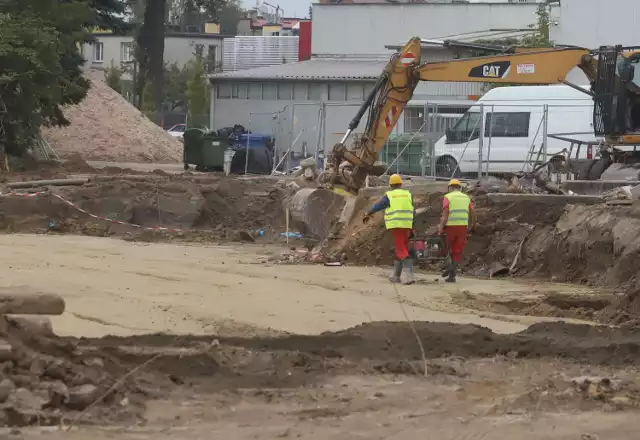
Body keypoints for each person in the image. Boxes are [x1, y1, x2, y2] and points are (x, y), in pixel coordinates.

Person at [363, 173, 415, 285]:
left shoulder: (390, 195)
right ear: (401, 184)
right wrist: (412, 227)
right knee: (402, 247)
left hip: (396, 224)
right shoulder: (408, 194)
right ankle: (396, 275)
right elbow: (413, 210)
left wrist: (368, 213)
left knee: (401, 249)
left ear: (390, 185)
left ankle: (409, 276)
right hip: (407, 224)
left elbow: (379, 206)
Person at [438, 179, 476, 283]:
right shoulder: (466, 197)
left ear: (450, 187)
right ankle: (452, 276)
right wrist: (472, 224)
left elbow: (445, 215)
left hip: (450, 227)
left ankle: (450, 268)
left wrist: (440, 228)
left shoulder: (448, 197)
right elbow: (472, 212)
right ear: (460, 187)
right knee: (457, 251)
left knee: (446, 248)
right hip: (462, 227)